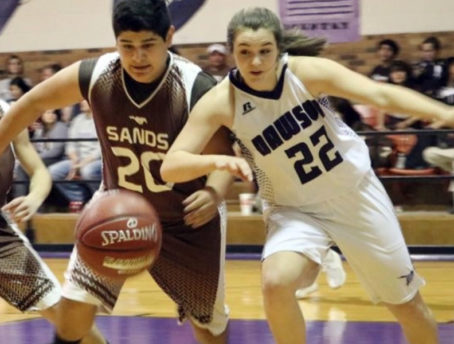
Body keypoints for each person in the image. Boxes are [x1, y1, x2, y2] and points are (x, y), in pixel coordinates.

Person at [160, 7, 454, 344]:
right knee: (276, 283)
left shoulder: (305, 72)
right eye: (245, 53)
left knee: (408, 306)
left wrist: (443, 112)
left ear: (278, 48)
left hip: (354, 195)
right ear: (231, 52)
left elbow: (381, 95)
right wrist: (217, 162)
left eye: (264, 52)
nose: (255, 62)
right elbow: (172, 164)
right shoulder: (221, 100)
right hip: (294, 210)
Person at [0, 1, 233, 343]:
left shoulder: (194, 86)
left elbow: (222, 156)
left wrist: (214, 192)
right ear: (115, 42)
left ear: (168, 37)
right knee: (71, 322)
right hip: (115, 216)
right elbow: (31, 104)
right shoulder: (97, 74)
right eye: (127, 46)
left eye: (147, 45)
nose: (138, 57)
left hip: (186, 221)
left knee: (209, 327)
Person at [0, 100, 103, 344]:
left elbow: (38, 171)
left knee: (64, 315)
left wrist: (35, 197)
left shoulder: (8, 112)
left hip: (1, 236)